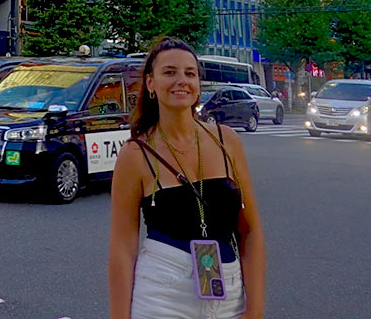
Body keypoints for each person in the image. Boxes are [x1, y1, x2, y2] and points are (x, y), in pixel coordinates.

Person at [108, 37, 265, 319]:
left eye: (190, 73)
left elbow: (250, 232)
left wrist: (254, 310)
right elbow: (122, 247)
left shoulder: (225, 140)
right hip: (162, 294)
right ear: (151, 84)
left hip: (228, 290)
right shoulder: (136, 153)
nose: (181, 80)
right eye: (169, 72)